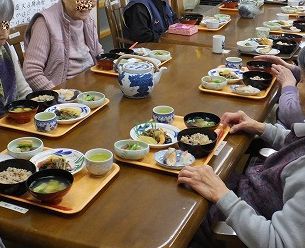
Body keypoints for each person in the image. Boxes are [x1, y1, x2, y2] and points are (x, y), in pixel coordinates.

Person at [178, 110, 305, 247]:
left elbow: (280, 243)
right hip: (250, 187)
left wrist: (222, 194)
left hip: (246, 224)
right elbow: (298, 143)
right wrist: (260, 127)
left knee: (178, 208)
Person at [23, 0, 103, 91]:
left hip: (92, 84)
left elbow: (98, 53)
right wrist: (58, 94)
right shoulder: (44, 23)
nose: (88, 5)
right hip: (64, 94)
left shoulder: (87, 19)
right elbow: (32, 71)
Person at [255, 50, 305, 128]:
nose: (299, 85)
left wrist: (288, 84)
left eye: (302, 80)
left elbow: (290, 114)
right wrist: (290, 68)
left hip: (286, 126)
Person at [0, 0, 32, 116]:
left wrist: (33, 106)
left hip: (11, 118)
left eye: (5, 24)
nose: (4, 33)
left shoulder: (6, 48)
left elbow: (23, 91)